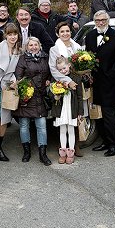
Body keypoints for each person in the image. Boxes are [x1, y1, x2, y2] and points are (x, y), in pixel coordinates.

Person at [85, 10, 115, 157]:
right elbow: (88, 57)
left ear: (108, 20)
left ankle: (114, 145)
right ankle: (105, 142)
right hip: (95, 83)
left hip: (111, 82)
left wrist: (110, 74)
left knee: (109, 115)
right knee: (99, 115)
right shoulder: (90, 36)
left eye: (103, 20)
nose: (101, 23)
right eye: (98, 20)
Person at [49, 21, 86, 157]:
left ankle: (75, 145)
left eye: (67, 31)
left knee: (75, 114)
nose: (65, 33)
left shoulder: (77, 47)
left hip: (76, 82)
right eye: (62, 31)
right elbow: (53, 69)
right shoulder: (55, 49)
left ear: (71, 32)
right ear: (58, 34)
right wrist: (68, 81)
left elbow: (81, 64)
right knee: (64, 116)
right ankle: (63, 147)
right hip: (63, 83)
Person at [0, 23, 21, 162]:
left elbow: (19, 69)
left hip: (8, 86)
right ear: (5, 35)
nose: (12, 37)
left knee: (5, 119)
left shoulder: (19, 50)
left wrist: (16, 81)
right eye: (10, 34)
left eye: (15, 34)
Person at [14, 37, 52, 165]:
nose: (33, 47)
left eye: (36, 44)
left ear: (39, 45)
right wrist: (25, 87)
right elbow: (18, 75)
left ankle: (43, 154)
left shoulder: (45, 57)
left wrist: (49, 79)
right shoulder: (23, 58)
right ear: (27, 47)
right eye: (31, 45)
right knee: (24, 125)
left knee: (42, 126)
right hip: (27, 96)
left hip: (40, 96)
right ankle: (27, 151)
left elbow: (51, 71)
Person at [51, 56, 83, 164]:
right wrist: (55, 96)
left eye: (64, 68)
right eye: (60, 70)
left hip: (71, 108)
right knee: (62, 130)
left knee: (71, 130)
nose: (63, 71)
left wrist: (80, 113)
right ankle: (63, 153)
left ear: (69, 65)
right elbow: (50, 92)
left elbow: (79, 97)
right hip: (61, 109)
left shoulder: (76, 78)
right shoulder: (56, 78)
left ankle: (71, 153)